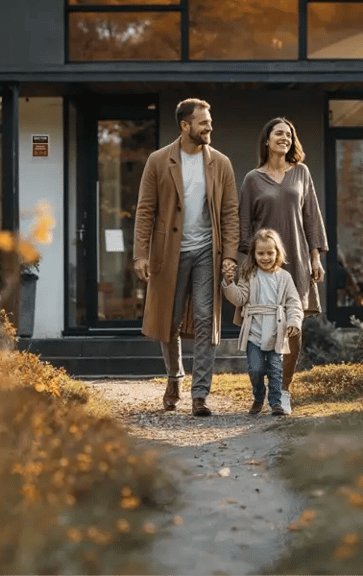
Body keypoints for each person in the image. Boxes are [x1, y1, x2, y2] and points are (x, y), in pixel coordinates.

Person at [133, 98, 240, 416]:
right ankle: (174, 378)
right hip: (170, 252)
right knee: (170, 319)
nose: (209, 127)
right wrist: (140, 254)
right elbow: (145, 210)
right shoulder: (158, 161)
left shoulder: (221, 163)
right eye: (203, 122)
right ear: (185, 125)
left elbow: (230, 213)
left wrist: (230, 256)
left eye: (209, 121)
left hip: (208, 251)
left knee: (207, 319)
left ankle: (200, 394)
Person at [239, 117, 328, 414]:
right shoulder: (253, 179)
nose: (285, 138)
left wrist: (316, 257)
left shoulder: (301, 172)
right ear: (267, 140)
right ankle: (262, 387)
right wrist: (246, 264)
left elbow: (312, 217)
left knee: (293, 326)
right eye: (279, 134)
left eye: (289, 135)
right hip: (264, 266)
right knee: (262, 326)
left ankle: (284, 391)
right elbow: (243, 225)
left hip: (298, 261)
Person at [221, 229, 303, 416]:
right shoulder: (249, 274)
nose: (265, 257)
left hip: (276, 332)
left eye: (270, 253)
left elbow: (294, 302)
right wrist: (228, 282)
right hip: (254, 332)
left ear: (277, 253)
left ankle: (275, 403)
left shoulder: (284, 277)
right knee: (256, 369)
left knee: (275, 370)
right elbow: (240, 299)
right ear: (254, 254)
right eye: (261, 253)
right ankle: (259, 396)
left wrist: (294, 321)